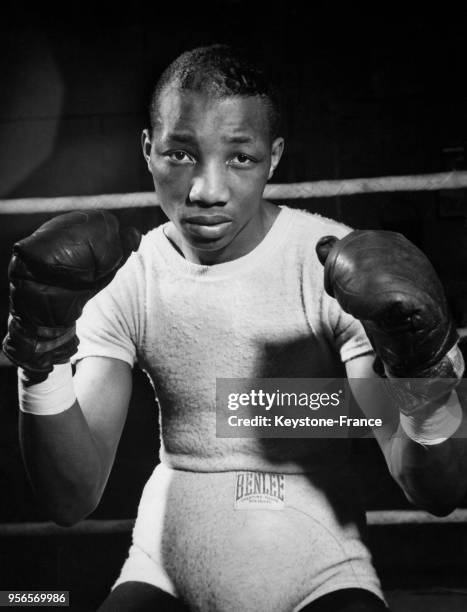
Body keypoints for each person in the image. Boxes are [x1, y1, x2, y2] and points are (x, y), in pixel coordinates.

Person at [3, 44, 467, 612]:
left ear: (274, 158)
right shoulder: (130, 275)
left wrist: (423, 372)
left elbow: (435, 489)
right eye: (180, 154)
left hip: (324, 574)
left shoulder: (333, 267)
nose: (206, 191)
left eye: (240, 159)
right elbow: (71, 498)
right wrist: (40, 355)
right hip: (162, 571)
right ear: (148, 151)